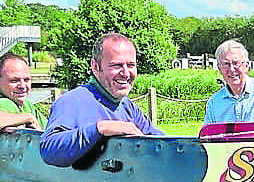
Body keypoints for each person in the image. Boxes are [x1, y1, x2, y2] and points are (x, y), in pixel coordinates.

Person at [40, 33, 164, 167]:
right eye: (116, 65)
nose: (126, 73)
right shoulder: (71, 102)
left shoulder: (128, 107)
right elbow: (49, 150)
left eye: (131, 65)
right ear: (95, 66)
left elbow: (161, 144)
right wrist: (101, 128)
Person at [0, 53, 47, 133]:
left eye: (26, 80)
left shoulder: (26, 104)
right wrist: (28, 118)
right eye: (14, 80)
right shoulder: (5, 103)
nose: (22, 86)